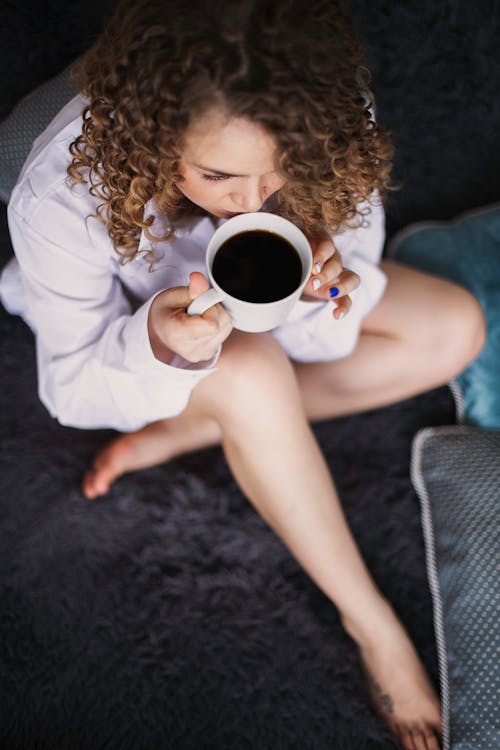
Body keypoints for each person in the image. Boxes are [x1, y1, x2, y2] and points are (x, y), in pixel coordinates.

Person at [0, 0, 485, 747]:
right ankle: (372, 622)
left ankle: (205, 425)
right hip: (137, 354)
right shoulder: (60, 196)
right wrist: (161, 348)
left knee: (456, 328)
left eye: (276, 173)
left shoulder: (321, 112)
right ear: (154, 138)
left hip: (276, 337)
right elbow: (71, 390)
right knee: (251, 368)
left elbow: (337, 302)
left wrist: (332, 282)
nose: (250, 203)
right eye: (218, 174)